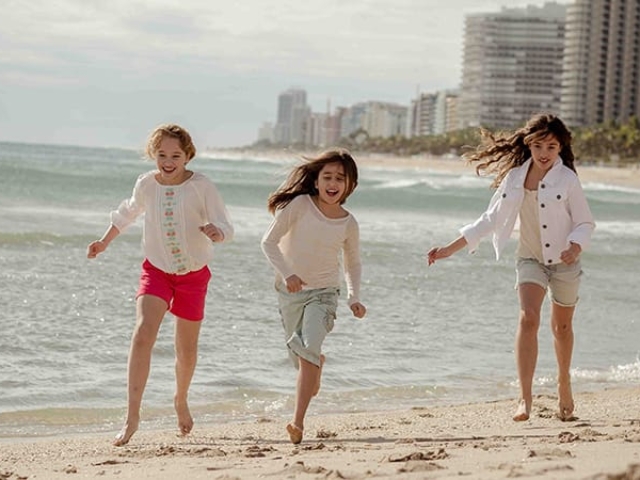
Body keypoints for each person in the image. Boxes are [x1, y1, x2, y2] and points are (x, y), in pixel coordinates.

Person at [427, 113, 595, 422]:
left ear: (560, 149)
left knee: (562, 327)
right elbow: (489, 218)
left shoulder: (568, 179)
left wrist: (575, 244)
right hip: (529, 257)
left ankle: (564, 382)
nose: (545, 153)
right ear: (529, 144)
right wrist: (450, 248)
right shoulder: (515, 178)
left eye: (552, 147)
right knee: (528, 319)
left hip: (564, 262)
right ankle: (524, 399)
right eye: (539, 146)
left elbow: (585, 221)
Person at [87, 124, 234, 446]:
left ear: (188, 155)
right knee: (143, 333)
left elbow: (225, 225)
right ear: (153, 154)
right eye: (162, 155)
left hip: (194, 275)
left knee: (186, 349)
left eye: (175, 155)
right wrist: (104, 242)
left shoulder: (201, 186)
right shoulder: (146, 184)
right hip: (156, 270)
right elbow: (127, 213)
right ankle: (131, 417)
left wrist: (217, 232)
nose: (168, 161)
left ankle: (180, 399)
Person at [261, 148, 367, 444]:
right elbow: (268, 243)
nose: (333, 183)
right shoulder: (299, 205)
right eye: (327, 177)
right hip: (290, 293)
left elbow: (353, 262)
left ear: (350, 185)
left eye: (340, 178)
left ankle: (297, 423)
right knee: (304, 361)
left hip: (324, 295)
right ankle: (315, 363)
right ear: (317, 181)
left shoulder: (348, 223)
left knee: (307, 351)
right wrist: (288, 274)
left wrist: (353, 297)